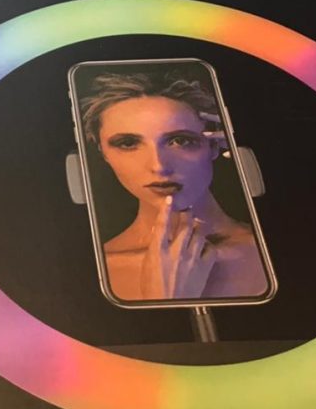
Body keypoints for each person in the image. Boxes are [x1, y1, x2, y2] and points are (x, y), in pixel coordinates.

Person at [79, 68, 268, 302]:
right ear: (104, 153)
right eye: (128, 143)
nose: (158, 166)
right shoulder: (89, 272)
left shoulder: (276, 248)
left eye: (180, 140)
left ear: (214, 145)